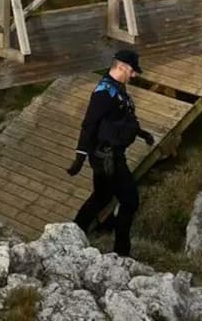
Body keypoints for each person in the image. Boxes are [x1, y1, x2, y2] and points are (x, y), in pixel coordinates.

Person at [67, 49, 154, 257]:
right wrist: (80, 156)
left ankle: (73, 233)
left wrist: (142, 134)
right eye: (132, 71)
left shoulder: (117, 88)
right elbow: (89, 124)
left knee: (101, 196)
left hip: (111, 154)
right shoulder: (104, 93)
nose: (134, 75)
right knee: (130, 199)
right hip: (106, 157)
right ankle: (121, 251)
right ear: (121, 67)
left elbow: (122, 116)